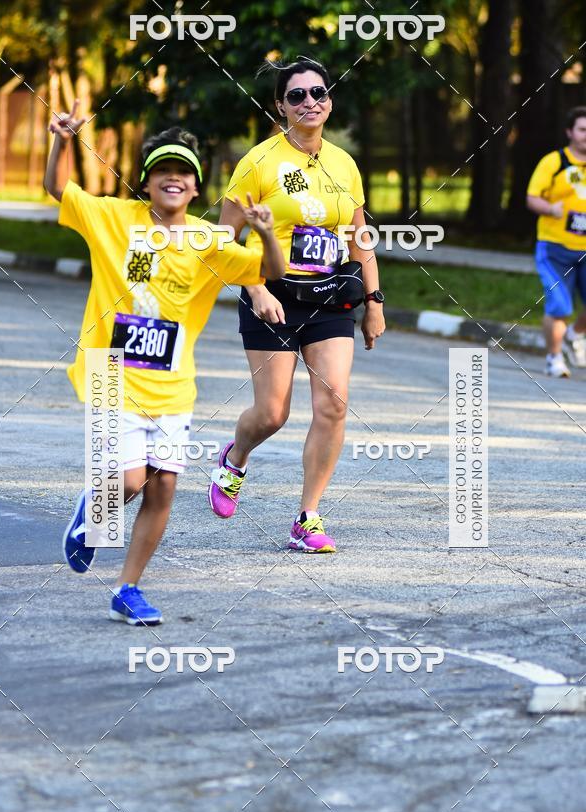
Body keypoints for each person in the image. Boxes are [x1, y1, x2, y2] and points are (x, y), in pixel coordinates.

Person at [45, 102, 284, 624]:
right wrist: (63, 141)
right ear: (146, 182)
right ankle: (92, 514)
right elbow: (59, 190)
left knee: (164, 486)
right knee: (130, 481)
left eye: (184, 174)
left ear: (196, 190)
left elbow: (269, 269)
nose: (172, 180)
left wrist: (264, 231)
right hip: (112, 376)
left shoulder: (207, 240)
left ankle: (127, 590)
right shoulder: (112, 217)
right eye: (162, 172)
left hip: (173, 387)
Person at [208, 58, 386, 552]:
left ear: (330, 100)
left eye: (319, 93)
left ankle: (308, 517)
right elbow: (224, 241)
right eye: (297, 96)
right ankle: (235, 458)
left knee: (333, 404)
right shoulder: (258, 163)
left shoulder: (344, 164)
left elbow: (359, 237)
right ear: (280, 106)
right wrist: (256, 289)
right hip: (273, 297)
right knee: (272, 413)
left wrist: (373, 300)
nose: (310, 102)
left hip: (329, 298)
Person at [527, 106, 586, 377]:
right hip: (554, 248)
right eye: (582, 130)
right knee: (560, 305)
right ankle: (554, 358)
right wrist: (551, 209)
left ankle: (574, 335)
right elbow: (532, 198)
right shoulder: (554, 162)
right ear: (570, 132)